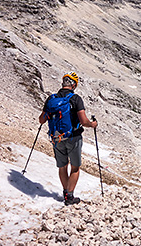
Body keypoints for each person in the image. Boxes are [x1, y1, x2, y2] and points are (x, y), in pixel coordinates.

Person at [39, 72, 97, 205]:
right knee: (75, 167)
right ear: (74, 85)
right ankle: (70, 197)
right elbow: (83, 121)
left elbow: (41, 120)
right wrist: (93, 124)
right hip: (73, 138)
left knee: (62, 167)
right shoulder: (76, 99)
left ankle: (65, 192)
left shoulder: (51, 99)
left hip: (57, 138)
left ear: (63, 83)